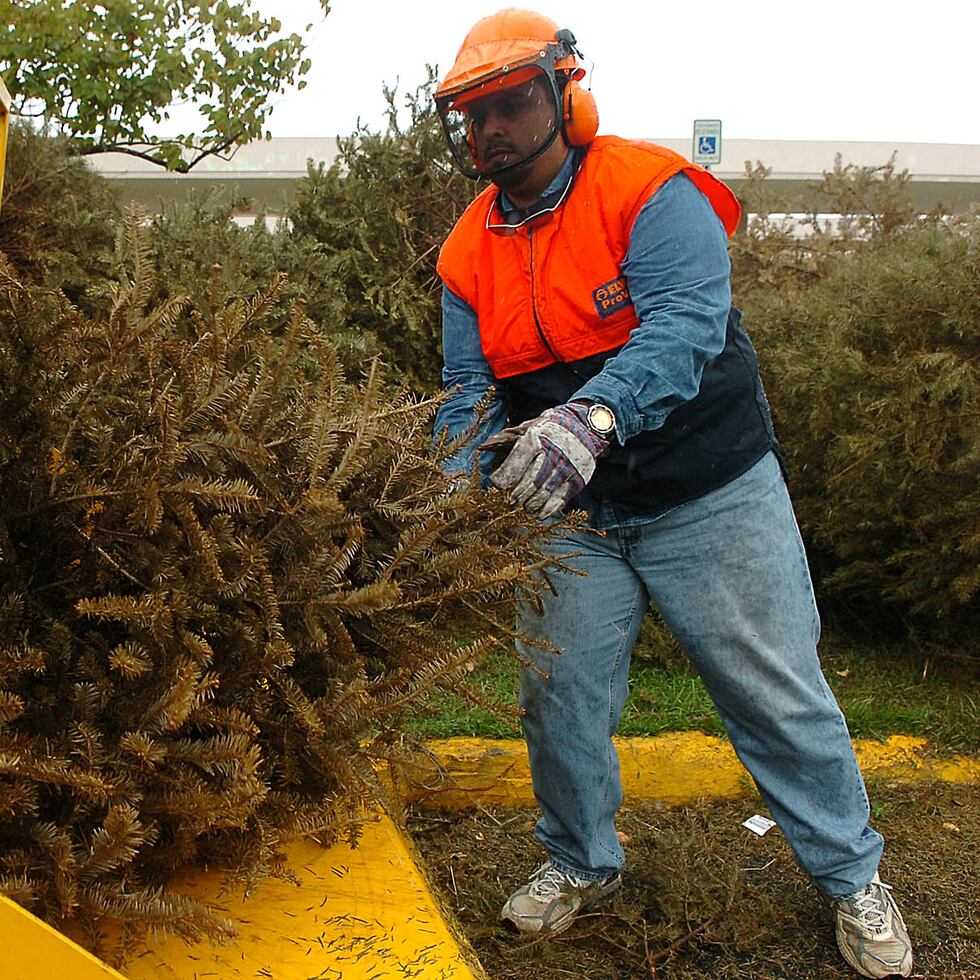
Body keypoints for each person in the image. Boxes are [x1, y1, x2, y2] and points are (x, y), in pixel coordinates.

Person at [431, 9, 913, 978]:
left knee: (774, 689)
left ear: (568, 92)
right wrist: (447, 508)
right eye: (470, 115)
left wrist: (590, 416)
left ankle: (850, 871)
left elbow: (689, 324)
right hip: (574, 514)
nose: (490, 130)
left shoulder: (647, 189)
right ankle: (579, 859)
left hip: (710, 486)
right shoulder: (463, 256)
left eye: (510, 102)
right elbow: (466, 396)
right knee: (556, 695)